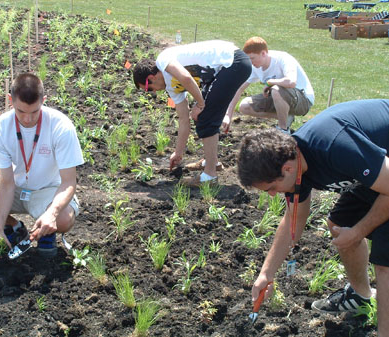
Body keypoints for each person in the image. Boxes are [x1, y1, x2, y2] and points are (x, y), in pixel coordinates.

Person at [236, 99, 389, 336]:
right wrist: (266, 273)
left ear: (287, 169)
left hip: (385, 171)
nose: (274, 195)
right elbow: (293, 220)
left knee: (385, 263)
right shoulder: (295, 163)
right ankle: (361, 296)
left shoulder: (335, 146)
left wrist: (358, 232)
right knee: (340, 226)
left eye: (271, 188)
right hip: (376, 170)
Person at [0, 73, 84, 258]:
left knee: (63, 219)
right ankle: (13, 227)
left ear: (43, 101)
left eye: (34, 112)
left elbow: (69, 182)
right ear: (10, 101)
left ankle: (47, 231)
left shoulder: (61, 127)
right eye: (21, 112)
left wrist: (52, 213)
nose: (28, 119)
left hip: (47, 190)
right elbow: (6, 183)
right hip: (15, 187)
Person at [133, 40, 252, 186]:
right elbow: (184, 120)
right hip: (227, 69)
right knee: (201, 116)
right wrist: (178, 153)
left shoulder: (163, 61)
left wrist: (200, 104)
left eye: (148, 89)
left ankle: (209, 176)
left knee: (206, 117)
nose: (152, 92)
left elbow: (186, 78)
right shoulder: (172, 88)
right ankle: (212, 163)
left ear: (151, 78)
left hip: (233, 63)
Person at [227, 36, 314, 133]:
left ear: (263, 53)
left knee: (276, 89)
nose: (251, 62)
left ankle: (283, 129)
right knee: (244, 106)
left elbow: (291, 82)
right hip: (279, 97)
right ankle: (286, 117)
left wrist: (270, 82)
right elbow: (239, 89)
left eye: (252, 58)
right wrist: (228, 115)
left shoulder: (283, 58)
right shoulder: (254, 67)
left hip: (303, 100)